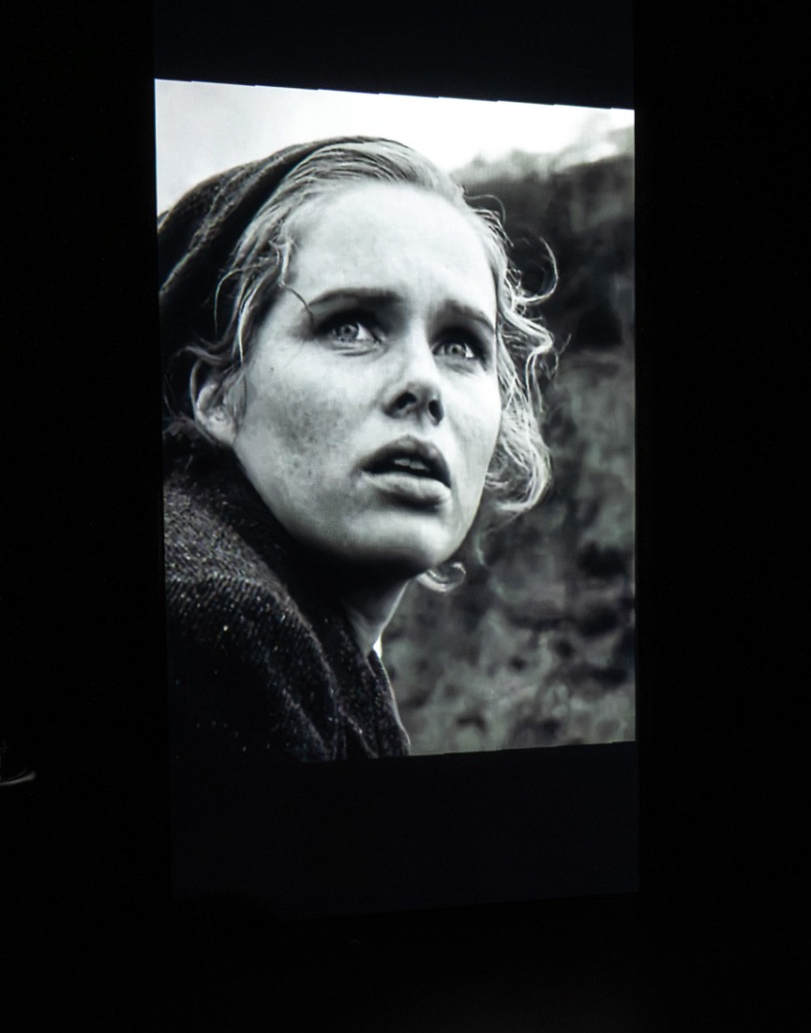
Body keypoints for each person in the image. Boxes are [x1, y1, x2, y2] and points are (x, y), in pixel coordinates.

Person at [159, 138, 556, 764]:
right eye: (351, 327)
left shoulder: (303, 633)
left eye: (460, 345)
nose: (423, 383)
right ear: (216, 393)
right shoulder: (218, 625)